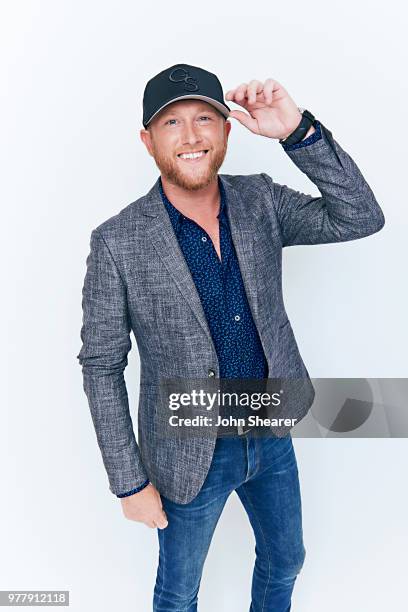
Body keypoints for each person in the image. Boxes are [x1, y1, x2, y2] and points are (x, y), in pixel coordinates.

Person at [77, 63, 385, 611]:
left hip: (272, 429)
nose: (191, 136)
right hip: (188, 446)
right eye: (172, 123)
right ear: (148, 140)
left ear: (226, 129)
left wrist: (297, 132)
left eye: (204, 118)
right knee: (178, 592)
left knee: (285, 561)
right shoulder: (118, 241)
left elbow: (359, 216)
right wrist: (129, 482)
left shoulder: (261, 200)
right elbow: (102, 366)